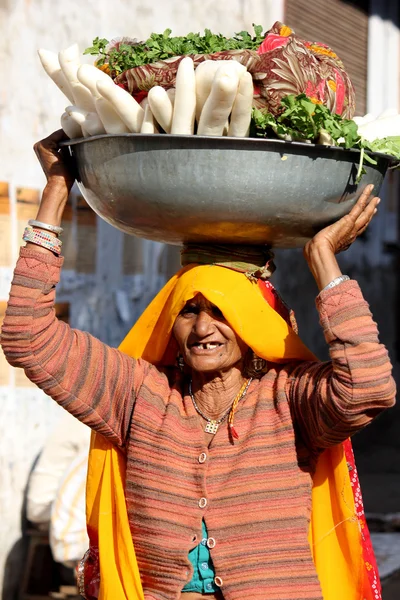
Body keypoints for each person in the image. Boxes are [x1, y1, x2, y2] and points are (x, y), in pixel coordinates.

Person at [0, 130, 396, 600]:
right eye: (190, 309)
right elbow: (27, 335)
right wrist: (56, 192)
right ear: (171, 319)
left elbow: (369, 387)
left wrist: (325, 264)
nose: (204, 328)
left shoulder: (288, 398)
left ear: (253, 323)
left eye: (224, 311)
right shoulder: (141, 395)